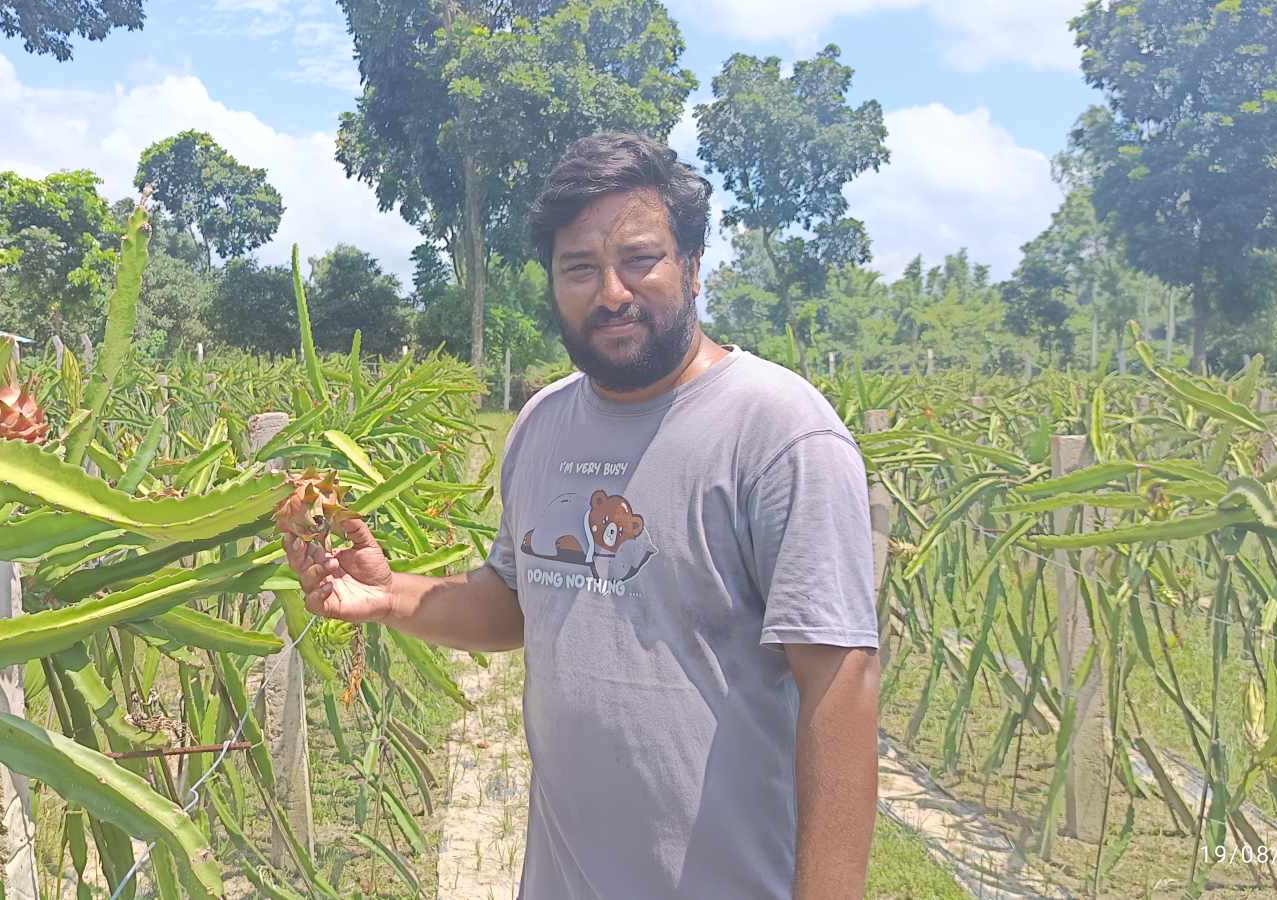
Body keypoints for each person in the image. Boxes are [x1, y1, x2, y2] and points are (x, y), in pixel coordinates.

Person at [278, 131, 880, 899]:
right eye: (580, 269)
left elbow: (840, 678)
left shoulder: (779, 431)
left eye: (639, 259)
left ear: (693, 268)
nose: (611, 293)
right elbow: (517, 602)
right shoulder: (543, 424)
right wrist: (385, 593)